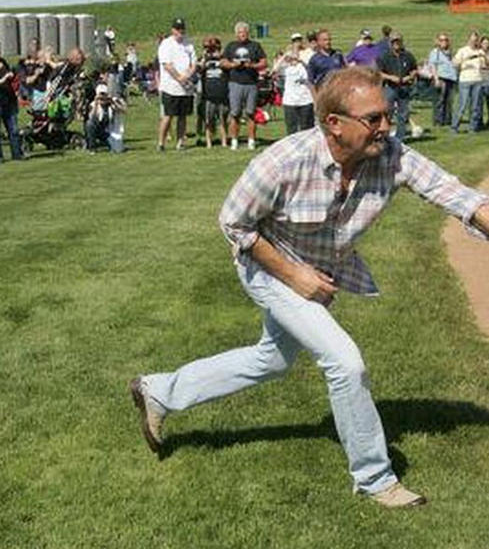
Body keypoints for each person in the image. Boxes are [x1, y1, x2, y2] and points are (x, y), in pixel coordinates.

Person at [128, 66, 489, 508]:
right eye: (372, 119)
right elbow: (233, 222)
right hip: (266, 264)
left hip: (317, 272)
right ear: (334, 124)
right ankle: (376, 478)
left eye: (386, 115)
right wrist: (293, 275)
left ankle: (159, 391)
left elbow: (455, 194)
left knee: (272, 360)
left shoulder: (391, 155)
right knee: (345, 362)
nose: (385, 127)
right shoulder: (283, 161)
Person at [221, 21, 268, 151]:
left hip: (251, 83)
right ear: (236, 34)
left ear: (248, 33)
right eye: (240, 32)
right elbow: (223, 62)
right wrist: (232, 65)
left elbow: (264, 62)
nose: (243, 35)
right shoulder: (231, 46)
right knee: (235, 113)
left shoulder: (255, 46)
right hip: (235, 82)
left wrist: (252, 65)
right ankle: (234, 140)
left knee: (250, 113)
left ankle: (251, 141)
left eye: (245, 32)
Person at [157, 18, 197, 152]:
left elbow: (193, 63)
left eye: (182, 29)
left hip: (186, 87)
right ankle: (161, 143)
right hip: (170, 86)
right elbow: (166, 64)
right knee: (168, 116)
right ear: (173, 30)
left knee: (183, 116)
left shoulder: (189, 43)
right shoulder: (166, 44)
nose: (180, 31)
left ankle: (180, 142)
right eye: (178, 29)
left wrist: (188, 75)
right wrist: (179, 78)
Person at [376, 32, 418, 141]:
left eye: (398, 41)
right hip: (390, 87)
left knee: (403, 114)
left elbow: (414, 69)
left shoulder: (408, 55)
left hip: (404, 87)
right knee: (387, 113)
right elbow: (379, 73)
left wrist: (410, 76)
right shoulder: (384, 56)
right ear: (390, 43)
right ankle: (385, 136)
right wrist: (391, 78)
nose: (396, 44)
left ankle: (400, 138)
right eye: (394, 42)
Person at [274, 32, 315, 135]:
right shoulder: (286, 61)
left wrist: (299, 60)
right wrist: (285, 56)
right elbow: (275, 70)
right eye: (295, 41)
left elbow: (312, 68)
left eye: (299, 40)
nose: (297, 43)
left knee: (307, 128)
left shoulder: (308, 54)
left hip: (305, 99)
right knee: (291, 128)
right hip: (290, 100)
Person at [451, 31, 485, 133]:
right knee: (462, 105)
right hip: (465, 80)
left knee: (475, 106)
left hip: (478, 80)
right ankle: (455, 126)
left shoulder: (480, 51)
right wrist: (465, 60)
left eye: (476, 40)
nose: (474, 42)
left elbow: (484, 65)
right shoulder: (463, 51)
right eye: (472, 40)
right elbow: (454, 63)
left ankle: (472, 128)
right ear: (468, 40)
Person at [199, 36, 229, 148]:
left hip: (221, 92)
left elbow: (228, 65)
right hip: (208, 94)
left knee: (222, 119)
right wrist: (204, 57)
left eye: (214, 47)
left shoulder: (224, 58)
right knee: (208, 120)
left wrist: (220, 56)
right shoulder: (204, 58)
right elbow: (199, 68)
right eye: (208, 47)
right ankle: (209, 142)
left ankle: (224, 141)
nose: (211, 50)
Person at [426, 33, 458, 126]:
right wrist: (436, 79)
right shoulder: (435, 52)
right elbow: (433, 65)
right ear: (438, 41)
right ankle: (438, 121)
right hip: (441, 78)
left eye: (446, 40)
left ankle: (447, 120)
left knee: (449, 101)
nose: (444, 42)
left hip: (451, 78)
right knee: (440, 100)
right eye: (442, 40)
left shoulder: (450, 52)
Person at [84, 83, 127, 152]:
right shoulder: (93, 104)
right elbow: (91, 117)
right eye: (100, 97)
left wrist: (112, 101)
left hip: (108, 132)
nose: (102, 99)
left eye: (104, 96)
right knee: (89, 124)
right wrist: (96, 102)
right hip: (97, 129)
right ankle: (92, 147)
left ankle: (108, 143)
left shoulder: (112, 104)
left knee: (118, 149)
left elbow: (124, 111)